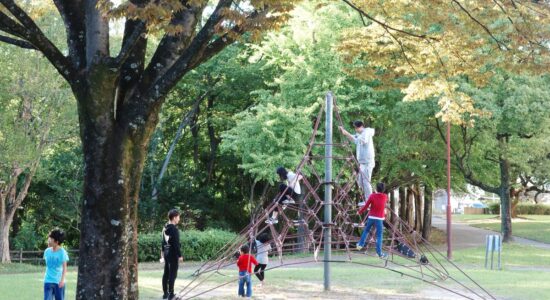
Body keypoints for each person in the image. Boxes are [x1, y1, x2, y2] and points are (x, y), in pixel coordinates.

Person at [339, 120, 375, 203]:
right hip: (362, 163)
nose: (356, 130)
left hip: (368, 162)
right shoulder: (360, 134)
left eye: (356, 128)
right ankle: (367, 199)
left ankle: (368, 201)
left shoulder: (366, 133)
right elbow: (354, 138)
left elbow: (360, 140)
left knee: (366, 182)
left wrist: (346, 133)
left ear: (361, 126)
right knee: (360, 182)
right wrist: (345, 132)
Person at [356, 182, 388, 258]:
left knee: (366, 230)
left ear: (376, 188)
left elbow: (366, 206)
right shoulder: (385, 197)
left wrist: (359, 212)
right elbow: (381, 204)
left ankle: (360, 245)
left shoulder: (372, 196)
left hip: (371, 217)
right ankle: (379, 253)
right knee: (379, 235)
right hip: (380, 219)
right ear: (383, 189)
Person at [161, 209, 183, 300]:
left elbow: (163, 242)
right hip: (173, 254)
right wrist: (180, 255)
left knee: (166, 273)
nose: (179, 219)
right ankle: (171, 295)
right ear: (174, 218)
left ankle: (165, 293)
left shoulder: (165, 227)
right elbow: (176, 244)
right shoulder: (174, 229)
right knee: (172, 274)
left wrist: (162, 254)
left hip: (166, 253)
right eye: (178, 217)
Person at [43, 228, 69, 300]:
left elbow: (65, 267)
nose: (49, 240)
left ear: (56, 242)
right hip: (48, 280)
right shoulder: (47, 251)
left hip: (58, 281)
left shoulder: (62, 252)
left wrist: (62, 280)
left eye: (51, 238)